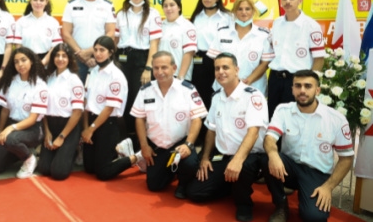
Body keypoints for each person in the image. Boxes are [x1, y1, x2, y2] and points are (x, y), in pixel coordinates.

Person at [178, 53, 268, 222]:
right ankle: (231, 186)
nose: (221, 72)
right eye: (217, 68)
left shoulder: (253, 96)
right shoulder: (217, 97)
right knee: (195, 192)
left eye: (225, 67)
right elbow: (211, 130)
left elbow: (253, 131)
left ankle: (244, 204)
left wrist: (238, 160)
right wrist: (205, 158)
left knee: (244, 168)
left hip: (250, 157)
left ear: (236, 70)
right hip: (224, 156)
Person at [261, 70, 354, 222]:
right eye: (297, 86)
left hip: (316, 173)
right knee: (266, 158)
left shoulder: (336, 119)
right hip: (288, 168)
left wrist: (328, 187)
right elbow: (270, 138)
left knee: (314, 217)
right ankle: (281, 205)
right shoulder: (283, 110)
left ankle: (307, 199)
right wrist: (273, 155)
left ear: (318, 90)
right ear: (292, 89)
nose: (302, 90)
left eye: (308, 86)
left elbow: (347, 158)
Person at [130, 51, 207, 194]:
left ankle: (183, 184)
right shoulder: (145, 90)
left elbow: (197, 119)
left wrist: (189, 144)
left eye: (164, 67)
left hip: (180, 143)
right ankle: (171, 173)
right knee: (154, 185)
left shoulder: (187, 89)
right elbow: (139, 119)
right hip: (157, 146)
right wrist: (144, 146)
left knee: (190, 164)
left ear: (174, 68)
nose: (159, 72)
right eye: (156, 68)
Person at [0, 47, 47, 178]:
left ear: (31, 61)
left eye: (23, 60)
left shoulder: (40, 85)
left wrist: (9, 129)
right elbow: (5, 110)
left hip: (32, 129)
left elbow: (32, 119)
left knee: (11, 139)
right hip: (12, 126)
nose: (20, 64)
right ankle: (20, 152)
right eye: (16, 61)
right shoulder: (10, 81)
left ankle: (30, 157)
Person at [81, 36, 135, 181]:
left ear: (111, 52)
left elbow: (109, 109)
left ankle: (135, 157)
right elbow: (86, 103)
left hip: (108, 124)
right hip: (92, 121)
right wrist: (86, 129)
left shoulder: (116, 76)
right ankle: (114, 152)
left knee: (103, 173)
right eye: (96, 50)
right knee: (89, 168)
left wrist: (90, 129)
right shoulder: (92, 72)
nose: (98, 54)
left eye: (102, 50)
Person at [266, 0, 325, 117]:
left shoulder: (311, 25)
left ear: (300, 0)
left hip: (297, 80)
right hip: (275, 78)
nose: (288, 1)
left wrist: (310, 83)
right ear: (280, 1)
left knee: (294, 118)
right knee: (273, 116)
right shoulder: (277, 23)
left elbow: (319, 59)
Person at [114, 0, 162, 141]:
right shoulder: (121, 14)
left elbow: (154, 43)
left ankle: (138, 140)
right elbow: (115, 40)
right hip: (121, 59)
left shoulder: (153, 14)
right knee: (122, 98)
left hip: (142, 59)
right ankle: (123, 138)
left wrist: (148, 68)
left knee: (137, 98)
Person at [206, 0, 273, 95]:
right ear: (234, 11)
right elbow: (216, 59)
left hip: (253, 88)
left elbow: (265, 63)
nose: (244, 12)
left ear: (253, 11)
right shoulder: (222, 32)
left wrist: (248, 80)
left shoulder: (263, 35)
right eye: (240, 9)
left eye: (247, 9)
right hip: (225, 87)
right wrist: (230, 80)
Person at [61, 0, 116, 84]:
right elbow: (66, 33)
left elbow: (110, 33)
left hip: (101, 57)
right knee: (76, 93)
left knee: (100, 95)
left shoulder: (107, 5)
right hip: (76, 58)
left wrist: (91, 52)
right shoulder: (71, 4)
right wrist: (81, 54)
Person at [37, 43, 84, 181]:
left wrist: (62, 137)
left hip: (68, 127)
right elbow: (43, 108)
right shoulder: (48, 78)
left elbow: (77, 112)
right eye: (57, 55)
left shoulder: (74, 80)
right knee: (44, 169)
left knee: (58, 173)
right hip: (50, 125)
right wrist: (47, 132)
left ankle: (75, 150)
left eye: (64, 56)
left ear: (69, 58)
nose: (60, 59)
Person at [189, 0, 233, 110]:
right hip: (199, 61)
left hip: (220, 61)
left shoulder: (227, 17)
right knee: (200, 96)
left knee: (219, 94)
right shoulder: (196, 16)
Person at [14, 0, 62, 65]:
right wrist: (24, 62)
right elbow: (18, 46)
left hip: (46, 62)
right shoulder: (21, 22)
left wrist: (43, 62)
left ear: (46, 2)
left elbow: (55, 47)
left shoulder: (53, 22)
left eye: (41, 0)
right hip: (25, 62)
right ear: (30, 1)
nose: (38, 2)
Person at [158, 0, 197, 81]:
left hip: (178, 75)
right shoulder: (160, 26)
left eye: (172, 5)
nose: (168, 8)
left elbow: (189, 53)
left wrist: (180, 77)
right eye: (165, 6)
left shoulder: (187, 26)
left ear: (179, 7)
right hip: (160, 75)